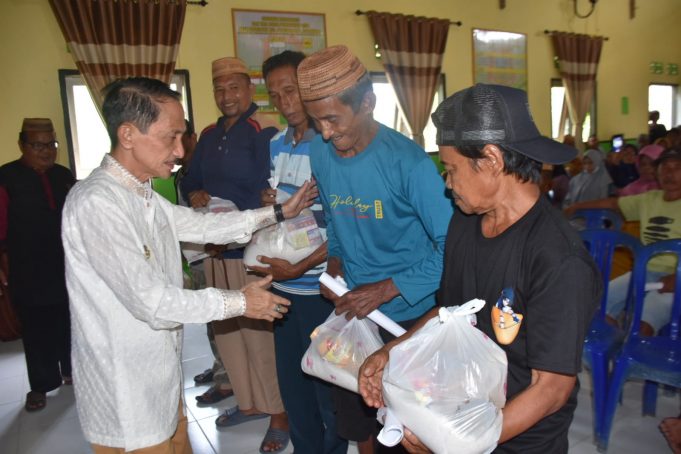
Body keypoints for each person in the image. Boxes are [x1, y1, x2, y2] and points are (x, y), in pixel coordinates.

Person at [62, 77, 316, 453]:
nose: (180, 151)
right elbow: (153, 302)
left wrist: (277, 212)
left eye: (181, 137)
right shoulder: (97, 203)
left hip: (160, 380)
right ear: (128, 134)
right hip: (126, 392)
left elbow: (199, 225)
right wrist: (241, 302)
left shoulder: (139, 193)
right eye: (170, 137)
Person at [359, 83, 601, 453]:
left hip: (514, 436)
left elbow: (551, 388)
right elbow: (448, 312)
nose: (447, 183)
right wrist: (391, 351)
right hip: (456, 407)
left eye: (451, 169)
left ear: (491, 160)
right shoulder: (465, 221)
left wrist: (459, 443)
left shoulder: (558, 259)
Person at [297, 45, 454, 453]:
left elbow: (452, 250)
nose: (325, 133)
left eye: (333, 119)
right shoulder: (321, 152)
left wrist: (385, 289)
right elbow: (336, 223)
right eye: (316, 121)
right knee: (359, 422)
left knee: (408, 431)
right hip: (353, 315)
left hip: (409, 319)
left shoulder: (409, 164)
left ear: (367, 103)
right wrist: (334, 267)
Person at [181, 57, 290, 453]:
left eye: (234, 88)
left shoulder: (264, 130)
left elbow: (268, 190)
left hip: (249, 250)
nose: (226, 96)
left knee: (259, 336)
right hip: (214, 248)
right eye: (219, 88)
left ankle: (279, 413)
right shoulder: (210, 135)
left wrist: (235, 214)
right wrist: (195, 193)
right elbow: (190, 179)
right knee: (228, 334)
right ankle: (249, 403)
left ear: (248, 89)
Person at [246, 50, 347, 454]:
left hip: (319, 286)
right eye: (275, 95)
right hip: (284, 285)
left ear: (308, 89)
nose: (285, 102)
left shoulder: (330, 144)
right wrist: (270, 200)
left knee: (327, 385)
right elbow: (282, 203)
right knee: (294, 383)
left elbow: (343, 226)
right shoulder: (277, 143)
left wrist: (301, 266)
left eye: (291, 90)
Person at [0, 118, 75, 412]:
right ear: (22, 145)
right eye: (38, 145)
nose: (46, 151)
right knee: (36, 328)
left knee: (69, 320)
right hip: (27, 267)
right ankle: (41, 385)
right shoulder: (6, 177)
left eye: (51, 144)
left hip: (65, 265)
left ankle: (72, 370)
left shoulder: (63, 175)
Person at [565, 148, 681, 336]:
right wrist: (576, 206)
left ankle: (635, 348)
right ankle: (616, 346)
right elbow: (613, 204)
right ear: (657, 172)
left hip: (676, 275)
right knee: (598, 303)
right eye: (665, 167)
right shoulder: (649, 199)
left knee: (642, 324)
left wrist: (678, 278)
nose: (670, 173)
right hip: (644, 271)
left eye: (677, 167)